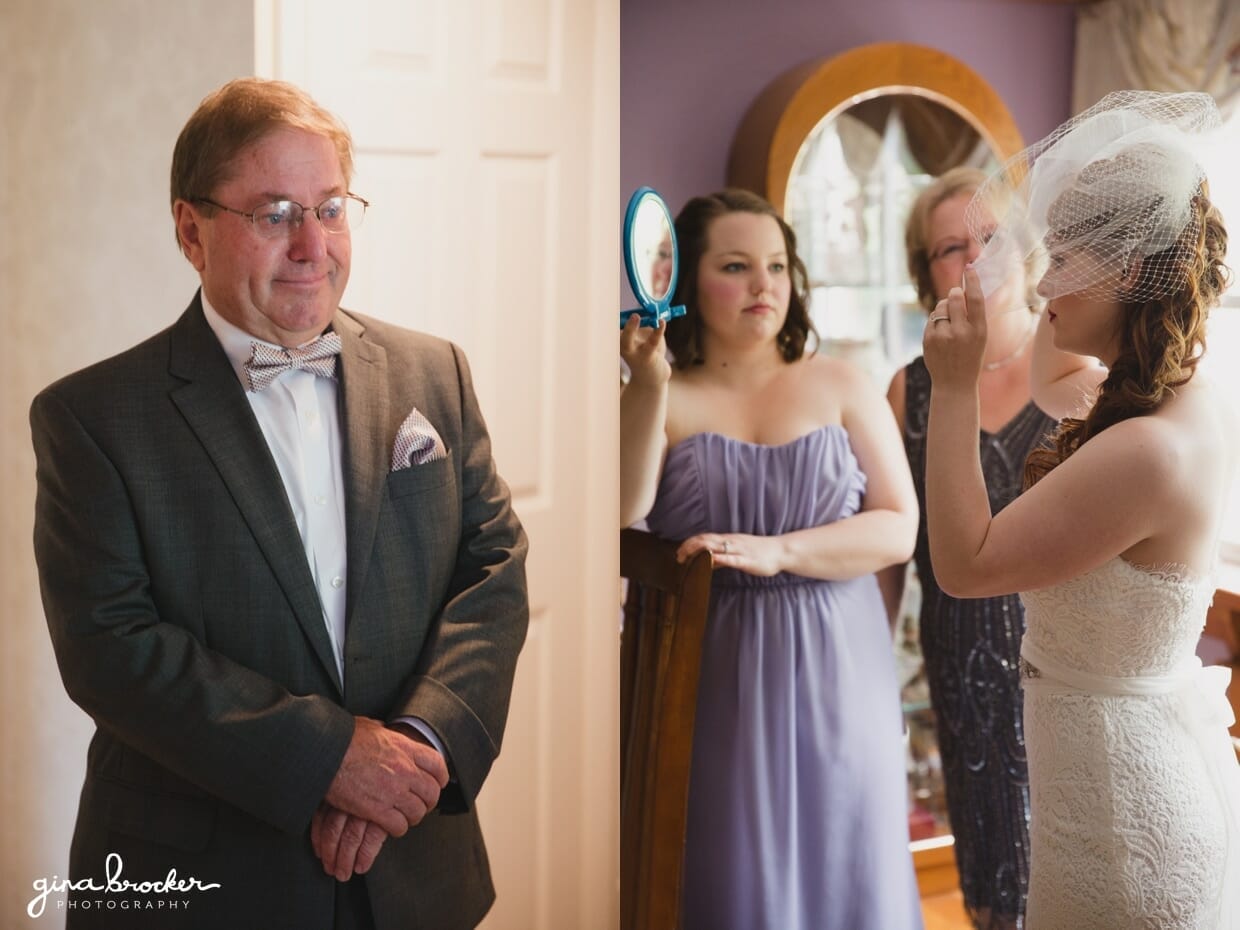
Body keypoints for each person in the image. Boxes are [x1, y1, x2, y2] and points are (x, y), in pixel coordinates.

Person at [29, 77, 528, 930]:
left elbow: (494, 568)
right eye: (274, 214)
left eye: (330, 209)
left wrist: (418, 747)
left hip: (414, 872)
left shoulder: (433, 373)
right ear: (191, 230)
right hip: (198, 877)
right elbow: (109, 645)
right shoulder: (92, 417)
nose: (311, 245)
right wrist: (331, 760)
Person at [923, 90, 1240, 927]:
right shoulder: (1170, 397)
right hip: (1111, 795)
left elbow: (964, 564)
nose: (1042, 284)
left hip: (1123, 833)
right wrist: (1029, 257)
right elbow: (1051, 378)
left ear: (1130, 271)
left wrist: (952, 388)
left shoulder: (1146, 452)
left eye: (1062, 262)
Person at [620, 188, 923, 929]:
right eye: (736, 266)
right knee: (731, 865)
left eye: (779, 266)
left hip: (839, 660)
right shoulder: (665, 395)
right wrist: (649, 384)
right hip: (712, 663)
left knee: (845, 854)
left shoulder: (843, 384)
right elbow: (622, 517)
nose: (765, 286)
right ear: (684, 281)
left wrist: (780, 550)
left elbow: (899, 528)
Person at [879, 166, 1055, 929]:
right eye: (953, 246)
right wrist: (875, 663)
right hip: (958, 663)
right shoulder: (906, 390)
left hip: (1056, 660)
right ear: (928, 273)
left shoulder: (1076, 371)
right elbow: (894, 548)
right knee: (987, 870)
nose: (976, 257)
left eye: (992, 237)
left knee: (1060, 864)